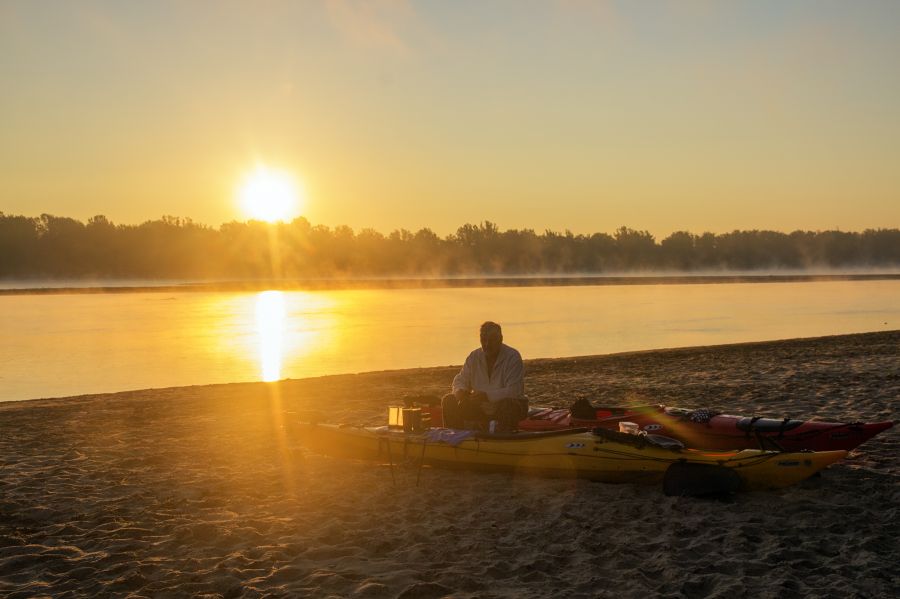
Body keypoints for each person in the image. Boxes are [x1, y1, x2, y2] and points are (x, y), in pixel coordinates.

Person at [441, 321, 527, 432]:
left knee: (508, 405)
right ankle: (457, 440)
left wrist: (487, 396)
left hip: (508, 406)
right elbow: (460, 380)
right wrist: (460, 391)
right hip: (480, 406)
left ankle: (504, 441)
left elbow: (514, 390)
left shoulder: (512, 357)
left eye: (491, 340)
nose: (487, 344)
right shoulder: (474, 357)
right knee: (449, 400)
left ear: (500, 339)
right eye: (483, 340)